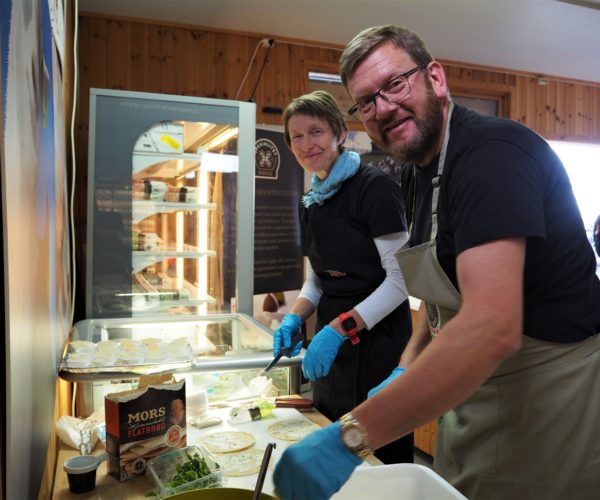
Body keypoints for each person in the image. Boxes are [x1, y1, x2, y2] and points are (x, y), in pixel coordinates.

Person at [274, 25, 600, 500]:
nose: (383, 107)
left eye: (395, 84)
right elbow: (440, 295)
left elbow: (490, 326)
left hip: (550, 397)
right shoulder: (416, 175)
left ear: (436, 77)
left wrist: (351, 437)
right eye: (367, 101)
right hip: (476, 392)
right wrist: (409, 365)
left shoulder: (492, 156)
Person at [272, 89, 414, 464]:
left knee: (375, 454)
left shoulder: (373, 188)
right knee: (330, 442)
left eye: (315, 131)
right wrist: (296, 315)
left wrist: (337, 329)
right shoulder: (312, 199)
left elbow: (401, 280)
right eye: (296, 136)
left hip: (378, 340)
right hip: (332, 346)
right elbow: (317, 278)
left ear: (338, 133)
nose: (306, 144)